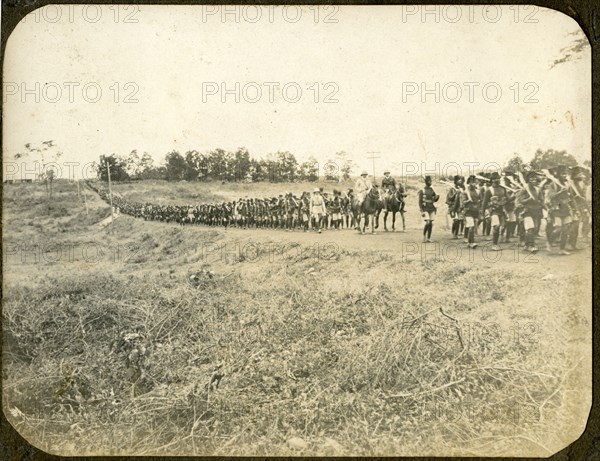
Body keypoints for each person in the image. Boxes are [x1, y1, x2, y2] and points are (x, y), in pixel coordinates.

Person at [546, 165, 573, 255]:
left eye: (565, 174)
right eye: (562, 174)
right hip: (556, 209)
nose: (564, 176)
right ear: (558, 175)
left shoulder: (567, 184)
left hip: (566, 208)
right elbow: (551, 196)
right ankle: (549, 242)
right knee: (558, 229)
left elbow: (571, 196)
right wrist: (560, 192)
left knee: (566, 229)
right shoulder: (553, 184)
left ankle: (562, 249)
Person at [516, 170, 544, 253]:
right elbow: (520, 200)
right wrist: (529, 199)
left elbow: (541, 200)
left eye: (535, 179)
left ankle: (527, 245)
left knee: (535, 229)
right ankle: (531, 245)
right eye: (532, 179)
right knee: (530, 228)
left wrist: (542, 204)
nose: (534, 181)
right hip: (526, 211)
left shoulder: (538, 190)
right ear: (528, 180)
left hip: (536, 211)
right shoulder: (524, 190)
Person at [482, 171, 507, 251]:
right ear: (492, 180)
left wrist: (515, 195)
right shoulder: (489, 190)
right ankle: (494, 244)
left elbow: (508, 199)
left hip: (502, 211)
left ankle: (498, 241)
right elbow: (484, 203)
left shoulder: (503, 189)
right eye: (496, 179)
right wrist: (483, 214)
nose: (498, 180)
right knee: (496, 226)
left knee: (502, 226)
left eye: (499, 178)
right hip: (493, 211)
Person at [418, 175, 440, 243]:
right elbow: (420, 201)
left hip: (432, 208)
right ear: (426, 182)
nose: (430, 182)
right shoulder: (422, 190)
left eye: (431, 181)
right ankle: (424, 237)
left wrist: (437, 196)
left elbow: (435, 199)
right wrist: (421, 210)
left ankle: (428, 238)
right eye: (429, 181)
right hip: (425, 208)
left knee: (430, 223)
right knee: (427, 222)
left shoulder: (432, 189)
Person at [460, 175, 480, 248]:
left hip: (475, 211)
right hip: (468, 211)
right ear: (469, 183)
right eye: (472, 182)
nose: (474, 184)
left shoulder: (477, 191)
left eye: (475, 182)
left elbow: (480, 200)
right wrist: (468, 200)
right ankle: (472, 242)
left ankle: (469, 242)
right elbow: (462, 203)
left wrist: (478, 202)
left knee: (473, 227)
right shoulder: (465, 192)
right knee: (471, 226)